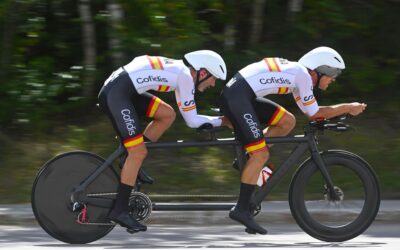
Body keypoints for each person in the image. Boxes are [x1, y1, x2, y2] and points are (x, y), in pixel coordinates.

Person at [219, 46, 367, 234]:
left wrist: (338, 111)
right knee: (260, 154)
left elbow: (310, 112)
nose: (335, 78)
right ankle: (241, 209)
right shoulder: (303, 76)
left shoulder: (298, 76)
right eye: (334, 73)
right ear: (320, 71)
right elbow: (315, 114)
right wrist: (348, 107)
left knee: (287, 121)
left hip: (240, 94)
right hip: (238, 98)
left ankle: (248, 161)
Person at [98, 50, 230, 233]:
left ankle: (129, 158)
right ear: (202, 72)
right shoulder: (185, 76)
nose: (213, 83)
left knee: (167, 114)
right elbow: (192, 121)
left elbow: (186, 113)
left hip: (122, 88)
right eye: (213, 78)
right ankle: (120, 210)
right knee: (139, 152)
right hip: (118, 94)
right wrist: (223, 121)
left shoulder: (180, 71)